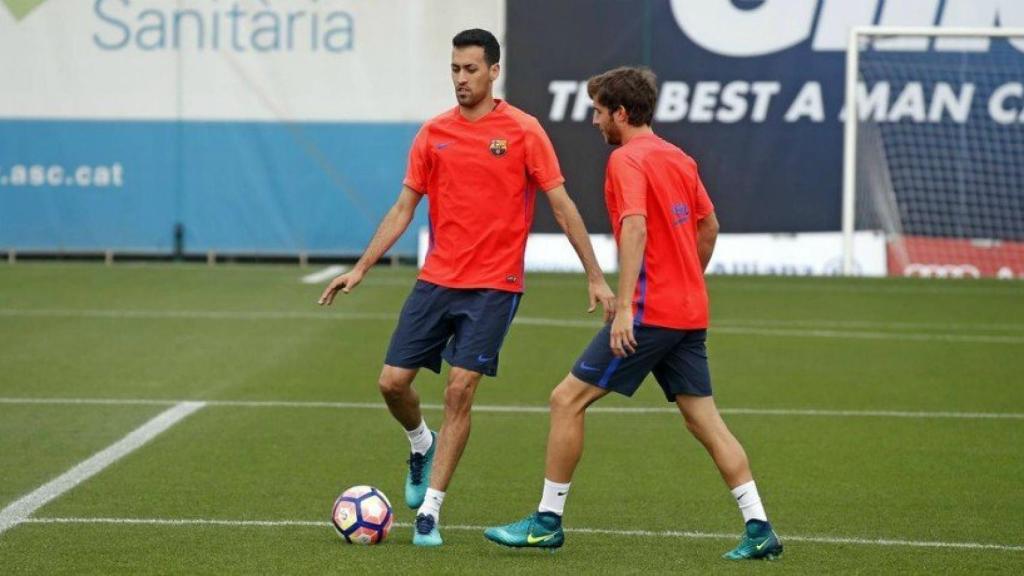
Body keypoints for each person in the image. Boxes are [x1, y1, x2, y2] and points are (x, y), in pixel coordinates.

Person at [318, 29, 614, 548]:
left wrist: (593, 272)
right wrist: (362, 267)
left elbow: (562, 205)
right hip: (436, 281)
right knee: (391, 383)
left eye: (470, 69)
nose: (460, 79)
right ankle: (419, 441)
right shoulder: (433, 133)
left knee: (459, 390)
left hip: (494, 288)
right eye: (455, 69)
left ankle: (430, 512)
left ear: (493, 71)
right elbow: (403, 208)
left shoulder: (523, 130)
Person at [483, 66, 783, 561]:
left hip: (650, 314)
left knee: (566, 400)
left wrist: (625, 308)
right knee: (703, 419)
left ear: (621, 113)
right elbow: (709, 227)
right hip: (687, 311)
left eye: (599, 111)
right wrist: (687, 278)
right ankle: (759, 527)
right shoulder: (679, 158)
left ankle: (546, 523)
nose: (595, 121)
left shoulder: (626, 161)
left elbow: (636, 229)